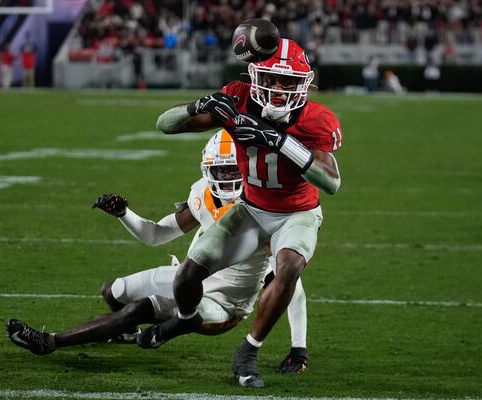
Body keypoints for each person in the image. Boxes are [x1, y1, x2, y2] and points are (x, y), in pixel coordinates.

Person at [6, 131, 310, 375]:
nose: (228, 177)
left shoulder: (263, 210)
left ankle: (50, 342)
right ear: (208, 170)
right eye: (221, 170)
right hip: (189, 279)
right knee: (115, 291)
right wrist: (125, 214)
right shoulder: (203, 195)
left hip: (225, 302)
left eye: (234, 168)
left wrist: (299, 348)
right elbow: (156, 234)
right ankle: (123, 331)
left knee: (139, 309)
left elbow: (289, 284)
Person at [146, 38, 342, 388]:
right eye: (271, 80)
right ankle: (187, 318)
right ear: (255, 76)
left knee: (290, 267)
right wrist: (197, 105)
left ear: (304, 83)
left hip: (296, 213)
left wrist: (280, 141)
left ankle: (248, 352)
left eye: (288, 82)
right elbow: (165, 124)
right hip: (251, 209)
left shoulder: (317, 118)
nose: (279, 89)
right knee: (189, 275)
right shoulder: (239, 97)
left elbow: (331, 182)